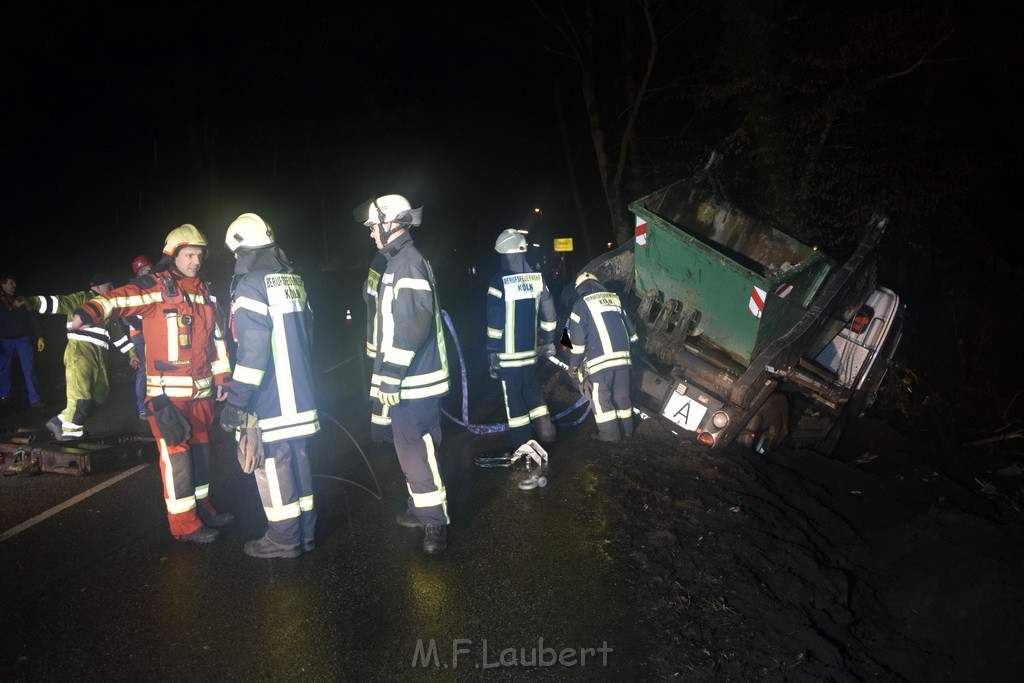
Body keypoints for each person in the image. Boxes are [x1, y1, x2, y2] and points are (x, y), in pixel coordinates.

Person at [71, 225, 233, 544]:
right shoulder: (156, 287)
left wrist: (222, 377)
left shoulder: (205, 292)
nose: (196, 261)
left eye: (199, 255)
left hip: (202, 396)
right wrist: (90, 310)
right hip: (168, 400)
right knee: (178, 462)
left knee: (201, 458)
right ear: (172, 256)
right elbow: (120, 299)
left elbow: (216, 340)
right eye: (189, 255)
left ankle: (202, 509)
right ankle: (184, 525)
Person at [218, 213, 320, 558]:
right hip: (302, 393)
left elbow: (253, 351)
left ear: (241, 251)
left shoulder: (250, 285)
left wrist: (237, 403)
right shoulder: (292, 278)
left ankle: (283, 538)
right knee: (298, 460)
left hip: (271, 399)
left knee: (272, 468)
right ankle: (305, 534)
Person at [357, 193, 450, 555]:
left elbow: (414, 324)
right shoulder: (400, 261)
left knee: (414, 449)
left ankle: (434, 524)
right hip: (416, 377)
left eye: (372, 227)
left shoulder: (406, 263)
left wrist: (392, 373)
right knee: (420, 448)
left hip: (413, 380)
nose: (370, 234)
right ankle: (421, 509)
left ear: (390, 223)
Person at [20, 273, 137, 439]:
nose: (113, 290)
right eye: (109, 287)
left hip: (99, 359)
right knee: (81, 397)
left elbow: (119, 336)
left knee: (99, 396)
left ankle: (60, 421)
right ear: (96, 288)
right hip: (79, 354)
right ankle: (70, 433)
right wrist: (30, 302)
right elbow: (57, 303)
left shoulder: (109, 309)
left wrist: (133, 354)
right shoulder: (82, 299)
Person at [485, 228, 558, 451]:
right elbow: (549, 313)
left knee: (514, 399)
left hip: (508, 355)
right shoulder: (537, 279)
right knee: (531, 390)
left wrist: (491, 350)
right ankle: (546, 430)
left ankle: (523, 444)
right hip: (530, 352)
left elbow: (495, 322)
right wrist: (548, 340)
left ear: (504, 254)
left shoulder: (499, 281)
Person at [566, 272, 639, 442]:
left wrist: (574, 366)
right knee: (622, 396)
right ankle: (627, 432)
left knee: (601, 399)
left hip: (599, 363)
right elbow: (633, 334)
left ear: (580, 288)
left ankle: (609, 436)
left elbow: (577, 343)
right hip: (623, 360)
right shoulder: (614, 299)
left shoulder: (580, 304)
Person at [0, 274, 45, 410]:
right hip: (4, 340)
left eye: (14, 282)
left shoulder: (21, 299)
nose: (14, 285)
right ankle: (4, 396)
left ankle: (35, 399)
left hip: (22, 339)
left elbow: (33, 318)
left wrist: (40, 336)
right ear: (2, 284)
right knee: (3, 370)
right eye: (11, 283)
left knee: (29, 368)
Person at [363, 250, 392, 443]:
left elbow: (367, 294)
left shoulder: (376, 264)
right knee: (386, 384)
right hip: (386, 335)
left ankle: (380, 432)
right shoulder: (386, 264)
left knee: (381, 384)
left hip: (377, 334)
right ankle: (381, 434)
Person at [127, 255, 153, 419]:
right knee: (144, 370)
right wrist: (141, 326)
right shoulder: (133, 287)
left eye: (150, 267)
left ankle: (155, 404)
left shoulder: (153, 284)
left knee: (157, 368)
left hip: (153, 332)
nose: (150, 270)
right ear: (139, 271)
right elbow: (126, 314)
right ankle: (142, 407)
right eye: (146, 268)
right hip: (139, 335)